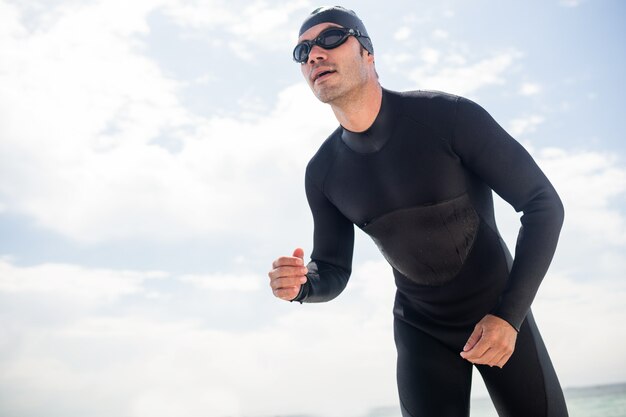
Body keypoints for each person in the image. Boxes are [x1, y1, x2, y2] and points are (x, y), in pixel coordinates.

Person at [268, 6, 569, 417]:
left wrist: (508, 316)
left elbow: (542, 205)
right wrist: (303, 285)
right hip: (419, 329)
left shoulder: (449, 117)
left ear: (368, 53)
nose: (315, 54)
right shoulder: (323, 173)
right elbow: (332, 269)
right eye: (302, 52)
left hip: (499, 312)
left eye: (331, 39)